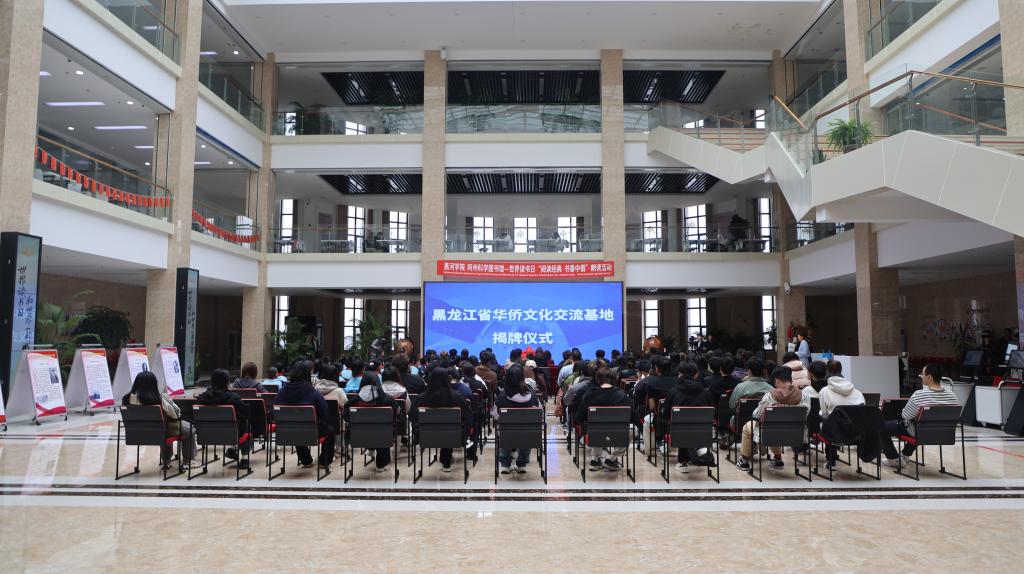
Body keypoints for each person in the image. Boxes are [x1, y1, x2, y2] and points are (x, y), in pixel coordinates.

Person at [880, 363, 959, 466]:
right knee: (921, 425)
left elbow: (905, 416)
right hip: (943, 434)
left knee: (881, 427)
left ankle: (893, 458)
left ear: (929, 377)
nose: (921, 376)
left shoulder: (920, 394)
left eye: (922, 374)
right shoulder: (952, 396)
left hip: (921, 433)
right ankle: (905, 454)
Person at [735, 366, 809, 471]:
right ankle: (777, 459)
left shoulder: (770, 396)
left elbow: (756, 415)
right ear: (790, 379)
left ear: (777, 381)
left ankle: (744, 460)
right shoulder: (805, 396)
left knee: (749, 426)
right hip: (796, 435)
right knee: (775, 427)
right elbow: (806, 414)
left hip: (770, 434)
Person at [122, 371, 197, 468]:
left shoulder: (126, 399)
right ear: (153, 385)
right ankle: (189, 461)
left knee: (163, 427)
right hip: (161, 432)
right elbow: (176, 415)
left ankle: (166, 460)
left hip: (136, 434)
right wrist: (169, 401)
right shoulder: (159, 399)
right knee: (189, 428)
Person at [574, 368, 642, 472]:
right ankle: (611, 459)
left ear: (598, 380)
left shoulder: (589, 395)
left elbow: (578, 418)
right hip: (619, 435)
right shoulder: (622, 395)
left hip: (594, 435)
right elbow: (636, 418)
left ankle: (595, 460)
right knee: (633, 429)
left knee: (594, 427)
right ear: (615, 379)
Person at [411, 367, 476, 471]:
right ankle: (450, 461)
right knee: (450, 427)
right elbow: (468, 415)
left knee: (442, 428)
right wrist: (467, 432)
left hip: (426, 436)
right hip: (454, 436)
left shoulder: (421, 398)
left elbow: (413, 416)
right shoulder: (457, 397)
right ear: (447, 379)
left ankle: (446, 462)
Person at [276, 360, 334, 469]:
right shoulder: (313, 393)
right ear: (307, 374)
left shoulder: (281, 392)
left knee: (297, 425)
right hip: (312, 433)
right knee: (329, 430)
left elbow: (275, 411)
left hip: (286, 432)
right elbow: (325, 414)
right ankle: (324, 461)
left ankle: (306, 460)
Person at [662, 361, 716, 473]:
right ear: (696, 375)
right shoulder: (706, 393)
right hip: (703, 432)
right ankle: (699, 450)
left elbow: (666, 414)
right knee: (690, 425)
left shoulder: (673, 392)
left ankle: (683, 462)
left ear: (680, 374)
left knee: (680, 425)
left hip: (677, 434)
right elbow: (712, 413)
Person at [196, 368, 252, 470]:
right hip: (231, 434)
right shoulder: (234, 398)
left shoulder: (202, 398)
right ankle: (244, 459)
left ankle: (231, 450)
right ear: (227, 382)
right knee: (246, 424)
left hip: (206, 435)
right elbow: (245, 413)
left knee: (236, 423)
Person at [342, 372, 399, 472]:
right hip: (384, 436)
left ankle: (371, 448)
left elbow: (346, 417)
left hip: (357, 436)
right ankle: (381, 464)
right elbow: (397, 414)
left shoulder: (353, 401)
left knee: (369, 429)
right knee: (383, 429)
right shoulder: (388, 400)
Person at [493, 365, 541, 474]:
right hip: (528, 435)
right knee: (527, 430)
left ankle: (505, 465)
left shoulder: (502, 397)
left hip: (507, 434)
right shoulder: (533, 396)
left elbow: (496, 415)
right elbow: (539, 414)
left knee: (504, 429)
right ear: (522, 378)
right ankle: (522, 464)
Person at [817, 360, 865, 468]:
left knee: (827, 423)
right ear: (841, 371)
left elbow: (824, 414)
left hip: (834, 434)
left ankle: (831, 460)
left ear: (827, 371)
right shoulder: (857, 392)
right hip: (855, 433)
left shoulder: (824, 391)